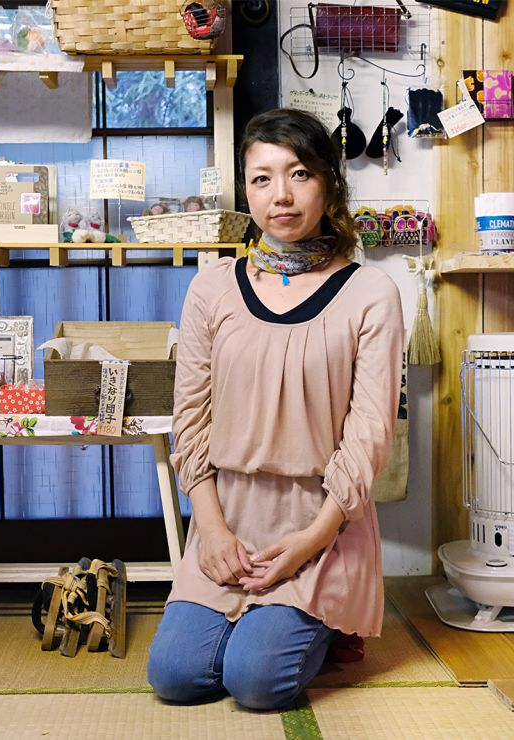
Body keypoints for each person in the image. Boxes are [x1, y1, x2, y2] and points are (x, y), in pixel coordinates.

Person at [147, 109, 404, 711]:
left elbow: (370, 433)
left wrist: (313, 539)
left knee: (258, 685)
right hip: (227, 517)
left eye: (299, 175)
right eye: (261, 179)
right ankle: (259, 624)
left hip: (320, 523)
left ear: (329, 184)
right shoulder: (212, 285)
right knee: (175, 677)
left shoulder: (372, 294)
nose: (280, 196)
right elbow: (190, 418)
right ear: (245, 187)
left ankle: (319, 622)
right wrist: (209, 531)